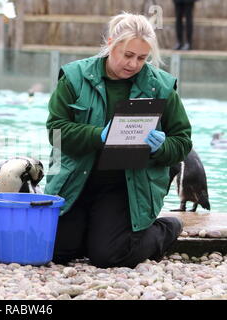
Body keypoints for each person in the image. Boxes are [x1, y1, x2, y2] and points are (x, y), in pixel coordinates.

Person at [44, 12, 192, 268]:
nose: (134, 64)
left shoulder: (162, 86)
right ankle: (93, 230)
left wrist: (161, 147)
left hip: (127, 186)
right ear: (111, 43)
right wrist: (97, 135)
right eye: (127, 55)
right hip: (76, 179)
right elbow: (55, 131)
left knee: (108, 256)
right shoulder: (74, 77)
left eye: (142, 58)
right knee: (57, 250)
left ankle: (165, 229)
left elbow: (182, 141)